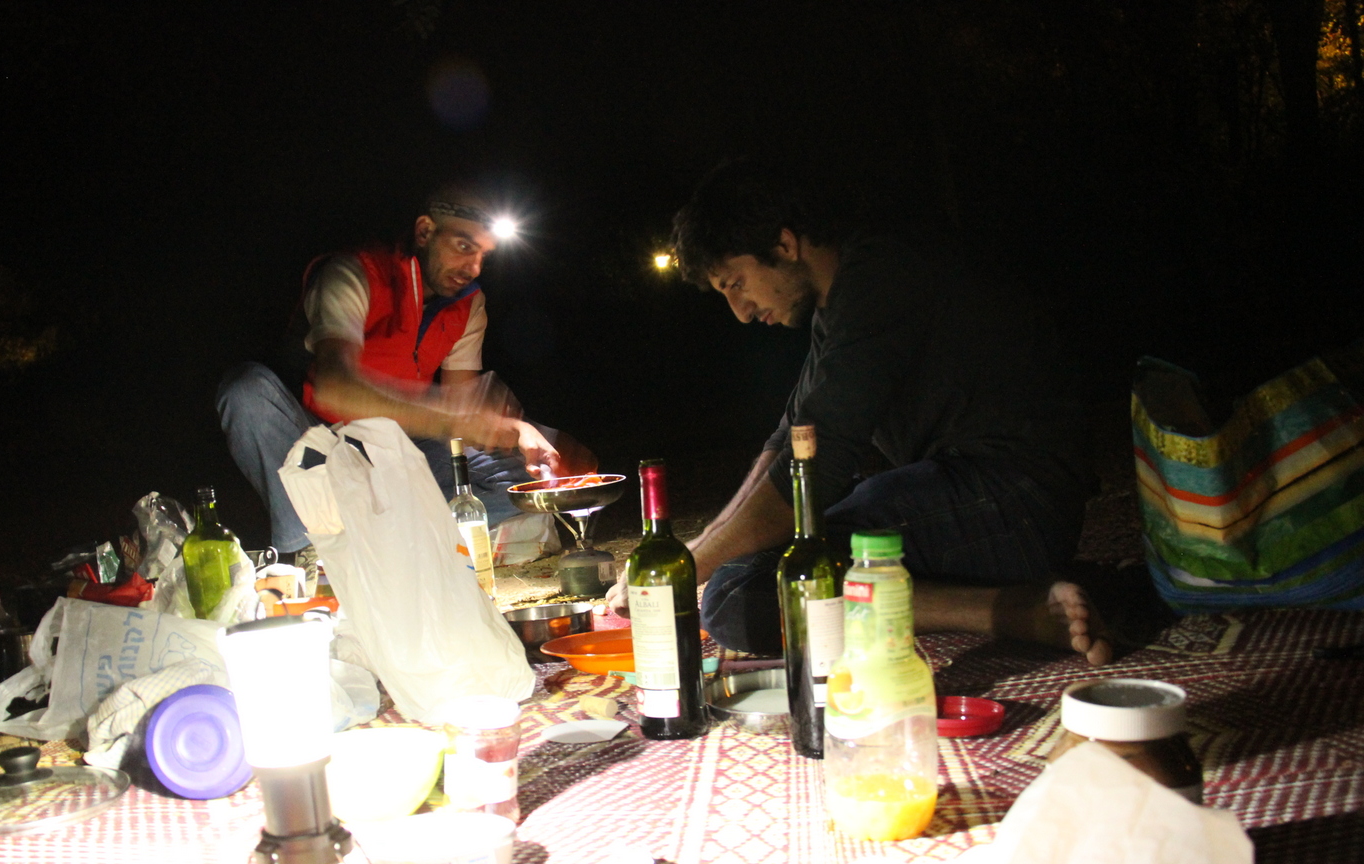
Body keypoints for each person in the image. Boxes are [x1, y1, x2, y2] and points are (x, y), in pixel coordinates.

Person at [611, 160, 1112, 666]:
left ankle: (1008, 610)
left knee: (736, 594)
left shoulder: (884, 275)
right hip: (981, 497)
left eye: (736, 283)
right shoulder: (841, 298)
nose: (740, 311)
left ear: (784, 245)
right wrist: (694, 548)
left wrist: (686, 568)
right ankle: (1016, 597)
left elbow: (818, 463)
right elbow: (787, 441)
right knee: (751, 568)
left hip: (1019, 504)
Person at [217, 186, 568, 559]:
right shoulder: (354, 273)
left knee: (526, 485)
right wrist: (450, 418)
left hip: (402, 445)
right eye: (464, 246)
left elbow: (462, 413)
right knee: (245, 390)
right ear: (424, 231)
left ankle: (387, 540)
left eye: (484, 255)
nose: (474, 268)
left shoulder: (469, 305)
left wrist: (518, 430)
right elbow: (334, 386)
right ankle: (314, 549)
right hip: (322, 443)